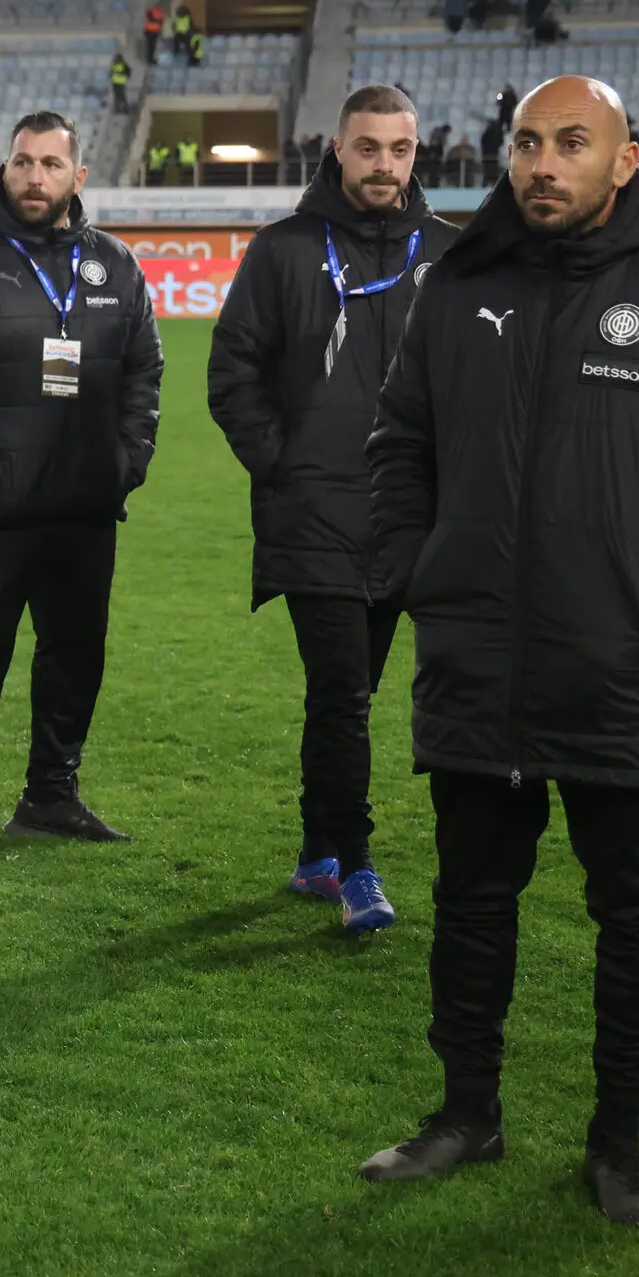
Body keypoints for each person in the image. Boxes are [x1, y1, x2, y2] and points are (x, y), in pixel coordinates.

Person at [357, 75, 639, 1226]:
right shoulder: (456, 288)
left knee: (635, 916)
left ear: (625, 161)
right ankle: (465, 1115)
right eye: (526, 143)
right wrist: (417, 574)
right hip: (475, 665)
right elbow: (399, 445)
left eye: (571, 143)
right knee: (470, 902)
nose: (542, 165)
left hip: (621, 671)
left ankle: (619, 1147)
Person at [206, 86, 457, 934]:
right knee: (345, 698)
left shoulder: (449, 254)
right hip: (315, 517)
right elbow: (232, 373)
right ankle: (355, 866)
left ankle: (317, 849)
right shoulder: (283, 250)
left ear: (416, 153)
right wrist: (290, 468)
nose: (385, 165)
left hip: (411, 522)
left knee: (347, 696)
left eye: (400, 149)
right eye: (368, 147)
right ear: (339, 149)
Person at [0, 112, 161, 864]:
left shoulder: (114, 264)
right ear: (5, 168)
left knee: (74, 657)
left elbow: (144, 374)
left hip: (82, 512)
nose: (35, 177)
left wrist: (123, 464)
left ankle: (51, 796)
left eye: (51, 164)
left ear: (77, 177)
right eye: (23, 161)